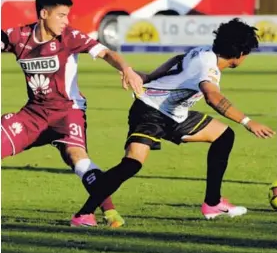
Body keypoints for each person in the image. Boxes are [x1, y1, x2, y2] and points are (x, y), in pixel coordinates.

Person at [72, 18, 275, 222]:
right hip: (150, 111)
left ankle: (212, 204)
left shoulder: (204, 51)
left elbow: (178, 59)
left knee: (224, 135)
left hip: (175, 115)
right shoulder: (208, 66)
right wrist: (248, 122)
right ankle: (84, 213)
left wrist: (150, 77)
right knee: (131, 164)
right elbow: (212, 97)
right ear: (240, 54)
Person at [1, 0, 143, 228]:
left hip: (68, 113)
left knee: (78, 159)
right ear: (44, 14)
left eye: (68, 15)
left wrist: (127, 69)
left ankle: (109, 214)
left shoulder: (70, 37)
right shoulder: (18, 36)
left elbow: (106, 52)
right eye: (61, 15)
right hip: (34, 114)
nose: (66, 21)